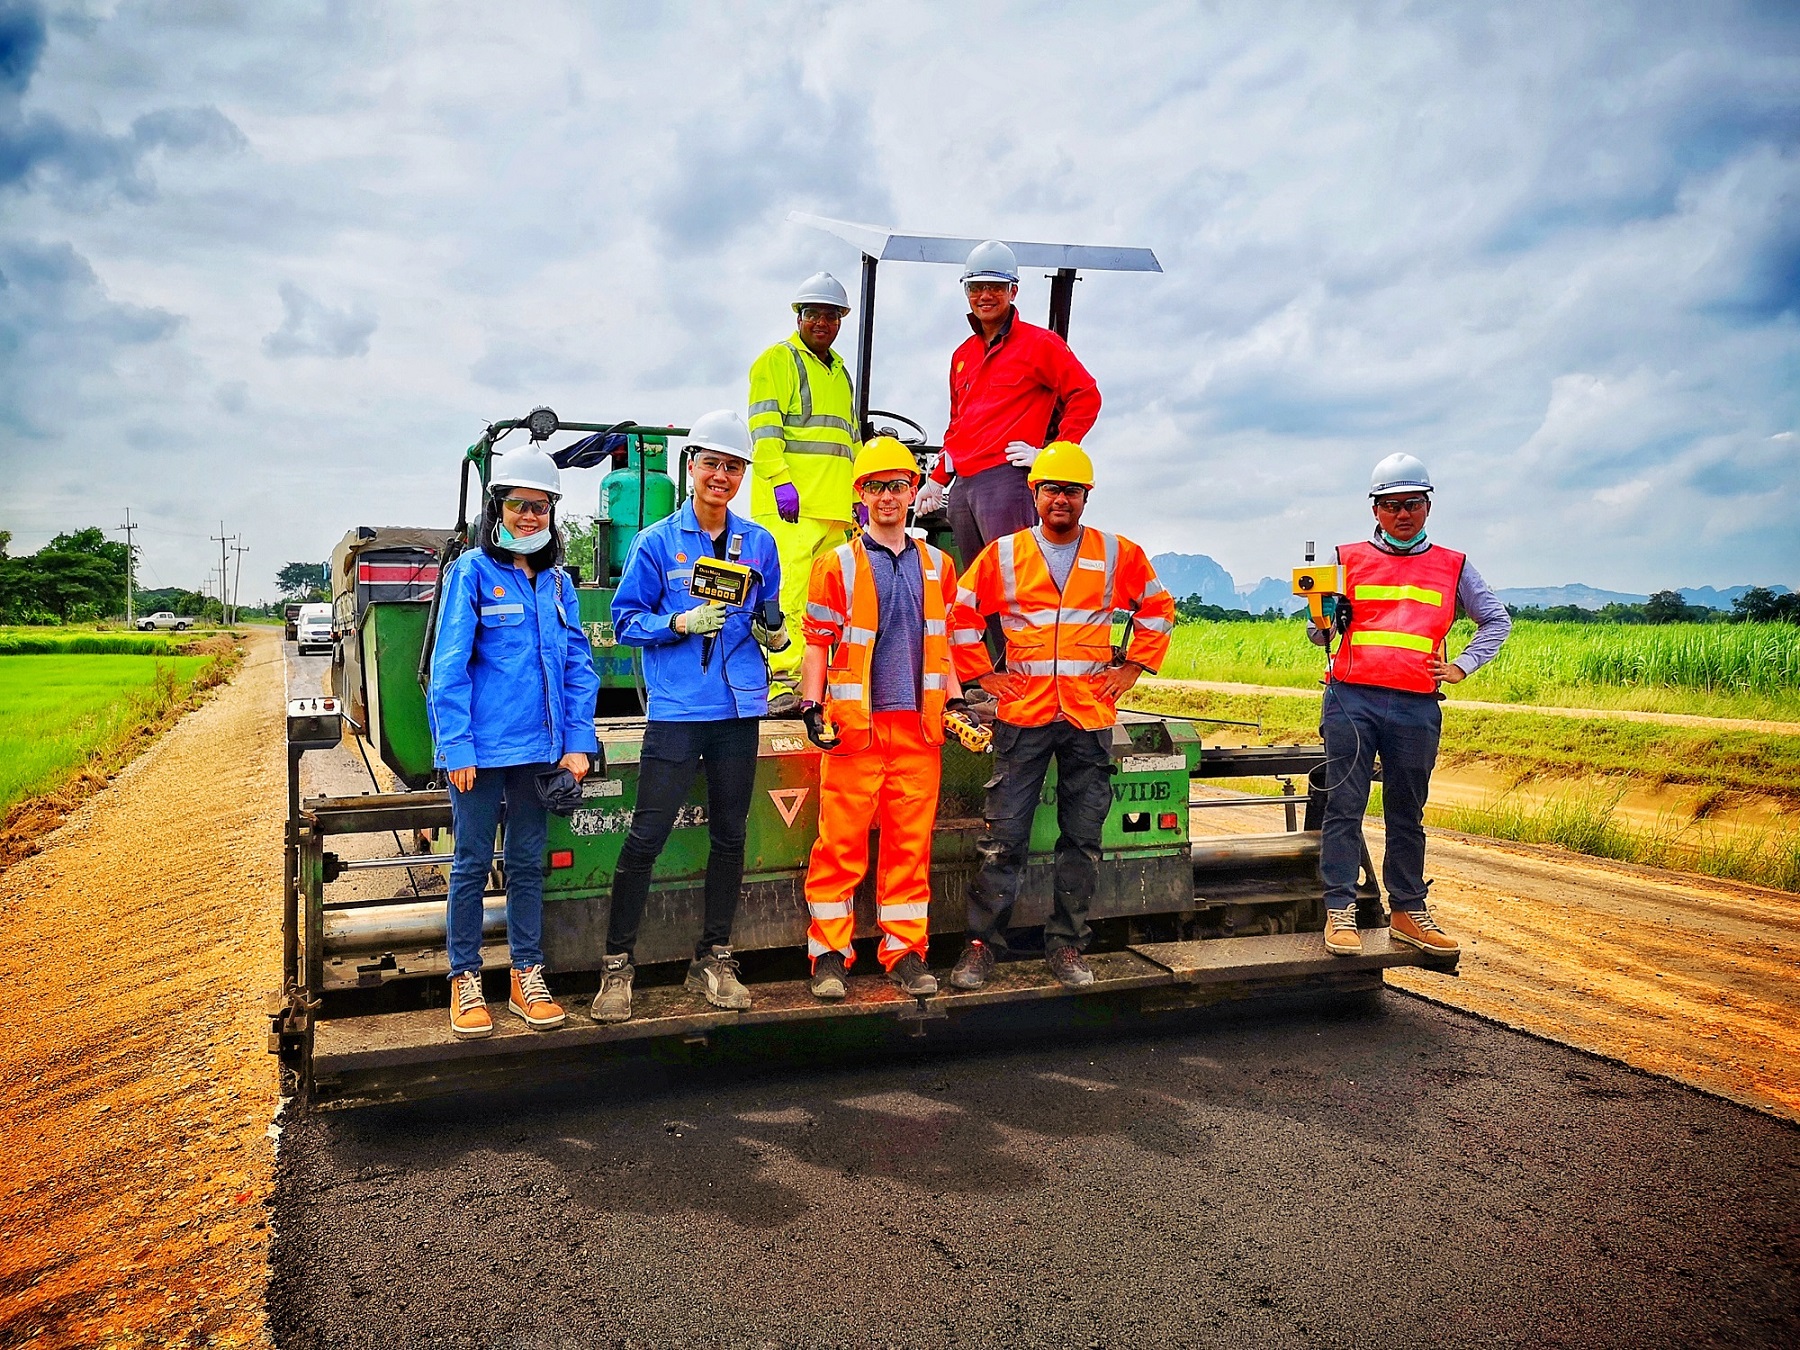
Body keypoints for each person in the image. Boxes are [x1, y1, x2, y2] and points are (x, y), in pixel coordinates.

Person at [946, 442, 1175, 990]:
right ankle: (981, 946)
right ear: (1035, 493)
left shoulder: (1117, 554)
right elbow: (960, 613)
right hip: (1024, 712)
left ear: (1086, 497)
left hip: (1088, 715)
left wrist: (1131, 670)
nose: (1060, 500)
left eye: (1071, 490)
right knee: (1004, 838)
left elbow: (1158, 609)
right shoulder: (1006, 554)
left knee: (1081, 838)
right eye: (1051, 489)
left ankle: (1067, 946)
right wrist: (984, 677)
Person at [595, 410, 788, 1022]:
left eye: (733, 467)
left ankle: (713, 956)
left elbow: (773, 619)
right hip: (678, 711)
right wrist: (677, 623)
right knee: (646, 836)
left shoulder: (758, 543)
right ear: (691, 466)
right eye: (712, 463)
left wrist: (773, 631)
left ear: (742, 475)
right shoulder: (656, 543)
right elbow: (625, 621)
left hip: (739, 707)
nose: (721, 475)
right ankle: (617, 966)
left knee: (730, 837)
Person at [426, 445, 601, 1040]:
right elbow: (449, 664)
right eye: (519, 505)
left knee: (528, 864)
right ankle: (464, 977)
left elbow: (578, 662)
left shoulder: (556, 582)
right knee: (472, 863)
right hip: (482, 753)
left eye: (541, 507)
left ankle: (526, 973)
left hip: (541, 753)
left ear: (552, 512)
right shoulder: (472, 571)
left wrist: (578, 743)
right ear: (498, 508)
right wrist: (456, 747)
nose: (530, 517)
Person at [1309, 453, 1511, 958]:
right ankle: (1339, 913)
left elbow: (1496, 621)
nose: (1403, 514)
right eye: (1392, 505)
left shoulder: (1454, 566)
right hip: (1350, 698)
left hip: (1416, 706)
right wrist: (1328, 619)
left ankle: (1407, 912)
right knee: (1345, 807)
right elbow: (1316, 633)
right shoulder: (1344, 558)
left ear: (1428, 507)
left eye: (1413, 504)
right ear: (1375, 509)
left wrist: (1462, 666)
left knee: (1406, 813)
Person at [796, 437, 967, 1002]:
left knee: (908, 847)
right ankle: (828, 956)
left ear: (913, 491)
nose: (888, 496)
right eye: (877, 486)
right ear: (861, 496)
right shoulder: (836, 564)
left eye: (897, 485)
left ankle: (906, 953)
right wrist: (810, 704)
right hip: (856, 729)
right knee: (839, 845)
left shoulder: (939, 565)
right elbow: (818, 643)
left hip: (920, 730)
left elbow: (946, 648)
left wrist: (958, 700)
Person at [916, 240, 1102, 575]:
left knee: (1014, 582)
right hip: (963, 488)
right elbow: (958, 424)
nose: (984, 295)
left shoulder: (1040, 344)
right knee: (977, 588)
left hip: (1007, 481)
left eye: (995, 287)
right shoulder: (962, 356)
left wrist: (1052, 457)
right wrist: (937, 480)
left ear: (1012, 291)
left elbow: (1086, 395)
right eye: (976, 287)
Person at [748, 272, 859, 713]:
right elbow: (764, 426)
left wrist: (856, 497)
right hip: (790, 505)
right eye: (814, 314)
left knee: (831, 601)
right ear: (800, 316)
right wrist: (779, 481)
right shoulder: (778, 361)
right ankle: (783, 684)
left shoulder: (840, 372)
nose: (822, 322)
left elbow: (847, 440)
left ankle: (820, 685)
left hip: (832, 508)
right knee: (788, 596)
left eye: (831, 316)